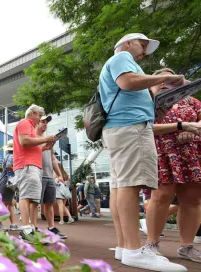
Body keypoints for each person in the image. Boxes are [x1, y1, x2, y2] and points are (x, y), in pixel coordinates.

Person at [99, 33, 187, 271]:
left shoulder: (121, 62)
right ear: (127, 43)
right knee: (129, 185)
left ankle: (124, 246)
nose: (145, 50)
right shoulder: (122, 58)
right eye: (143, 44)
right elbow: (127, 82)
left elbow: (131, 90)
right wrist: (169, 77)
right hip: (130, 128)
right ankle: (133, 250)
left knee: (120, 185)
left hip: (122, 127)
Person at [144, 68, 201, 263]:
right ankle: (151, 243)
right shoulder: (147, 103)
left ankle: (187, 246)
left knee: (192, 200)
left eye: (172, 80)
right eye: (161, 78)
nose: (165, 82)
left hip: (190, 154)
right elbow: (143, 127)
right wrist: (181, 126)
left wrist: (193, 131)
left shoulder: (193, 102)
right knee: (161, 196)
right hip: (161, 152)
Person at [13, 104, 56, 242]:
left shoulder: (29, 126)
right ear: (32, 114)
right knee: (26, 197)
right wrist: (45, 139)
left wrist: (43, 148)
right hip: (27, 166)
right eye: (39, 115)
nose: (39, 119)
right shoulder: (25, 123)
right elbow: (24, 141)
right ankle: (26, 229)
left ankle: (28, 229)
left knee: (30, 198)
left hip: (31, 166)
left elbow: (28, 145)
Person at [36, 115, 67, 238]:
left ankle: (51, 227)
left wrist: (59, 174)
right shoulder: (33, 139)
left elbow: (53, 158)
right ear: (36, 123)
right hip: (37, 175)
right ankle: (31, 228)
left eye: (46, 122)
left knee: (49, 203)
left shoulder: (47, 139)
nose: (45, 124)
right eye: (42, 122)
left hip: (49, 176)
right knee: (33, 204)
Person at [0, 139, 20, 231]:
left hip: (6, 182)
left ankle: (12, 224)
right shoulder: (12, 156)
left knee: (10, 203)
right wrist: (17, 171)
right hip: (8, 182)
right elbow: (8, 166)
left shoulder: (7, 155)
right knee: (5, 203)